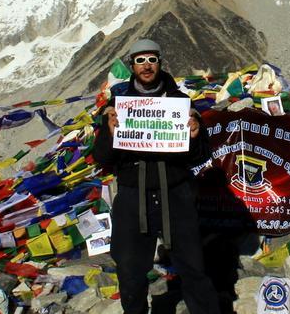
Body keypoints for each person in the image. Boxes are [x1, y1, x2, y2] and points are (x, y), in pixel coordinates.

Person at [94, 38, 220, 314]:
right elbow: (102, 158)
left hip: (175, 193)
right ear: (132, 66)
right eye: (140, 60)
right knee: (129, 270)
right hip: (132, 196)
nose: (147, 66)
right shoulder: (118, 105)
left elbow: (200, 156)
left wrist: (196, 136)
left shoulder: (180, 103)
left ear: (160, 62)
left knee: (193, 267)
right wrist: (111, 135)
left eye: (152, 59)